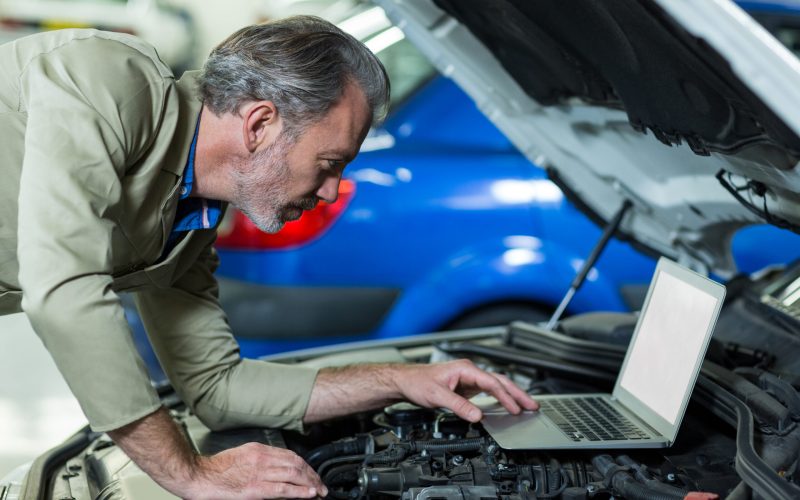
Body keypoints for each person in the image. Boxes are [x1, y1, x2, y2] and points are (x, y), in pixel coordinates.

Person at [0, 16, 538, 499]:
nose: (331, 192)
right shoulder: (105, 80)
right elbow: (64, 291)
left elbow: (218, 388)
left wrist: (398, 379)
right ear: (260, 125)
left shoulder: (189, 227)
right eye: (330, 162)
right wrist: (190, 473)